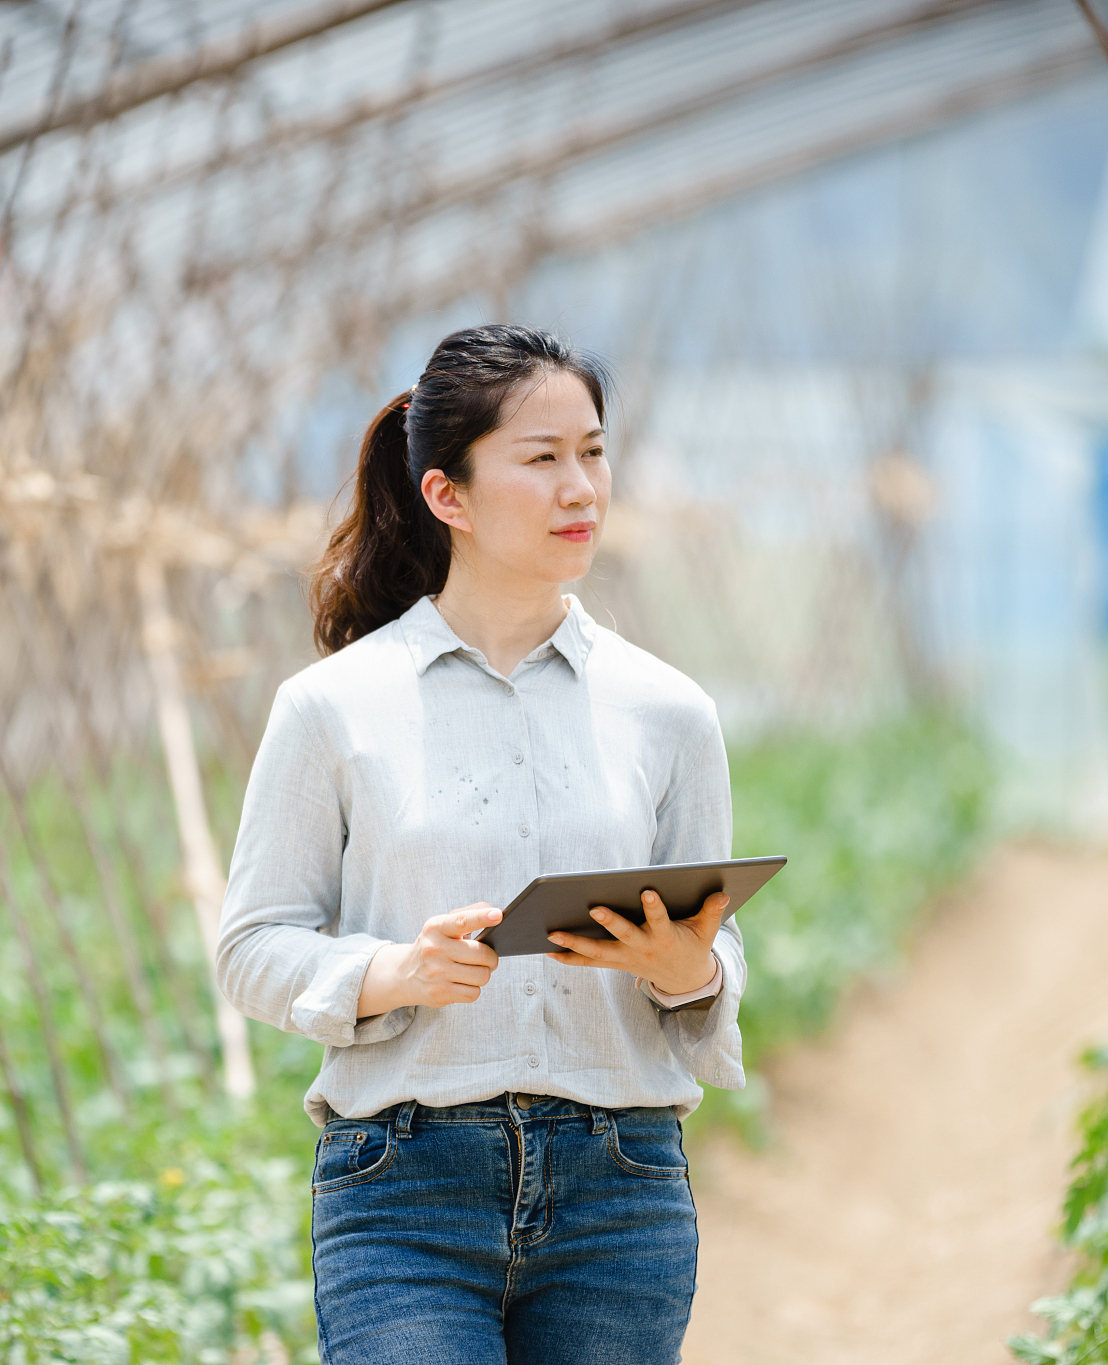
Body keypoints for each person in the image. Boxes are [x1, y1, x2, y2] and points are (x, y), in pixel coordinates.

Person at [216, 324, 745, 1365]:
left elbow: (711, 954)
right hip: (403, 1192)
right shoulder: (331, 707)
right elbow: (250, 945)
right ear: (445, 494)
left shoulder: (667, 711)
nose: (580, 488)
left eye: (592, 452)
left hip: (619, 1187)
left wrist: (687, 970)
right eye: (540, 458)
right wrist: (394, 972)